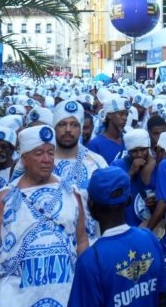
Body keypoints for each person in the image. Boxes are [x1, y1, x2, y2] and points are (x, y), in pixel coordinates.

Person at [0, 125, 88, 306]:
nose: (46, 159)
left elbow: (82, 243)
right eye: (39, 153)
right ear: (24, 158)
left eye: (51, 153)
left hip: (66, 298)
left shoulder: (71, 193)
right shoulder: (3, 199)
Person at [67, 166, 166, 306]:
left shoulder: (91, 260)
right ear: (129, 200)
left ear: (91, 206)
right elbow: (162, 297)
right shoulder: (150, 239)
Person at [52, 100, 108, 239]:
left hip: (91, 244)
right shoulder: (41, 161)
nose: (68, 130)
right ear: (54, 127)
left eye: (74, 125)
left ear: (81, 128)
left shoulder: (97, 162)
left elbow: (109, 207)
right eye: (62, 124)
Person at [111, 129, 157, 227]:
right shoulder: (117, 166)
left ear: (148, 147)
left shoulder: (159, 165)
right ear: (128, 151)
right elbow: (112, 193)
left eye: (143, 149)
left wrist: (155, 202)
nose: (140, 154)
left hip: (151, 229)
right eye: (135, 151)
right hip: (126, 226)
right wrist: (131, 172)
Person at [88, 96, 130, 164]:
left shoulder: (128, 140)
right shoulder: (95, 145)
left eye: (126, 115)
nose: (125, 118)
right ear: (109, 115)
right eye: (121, 114)